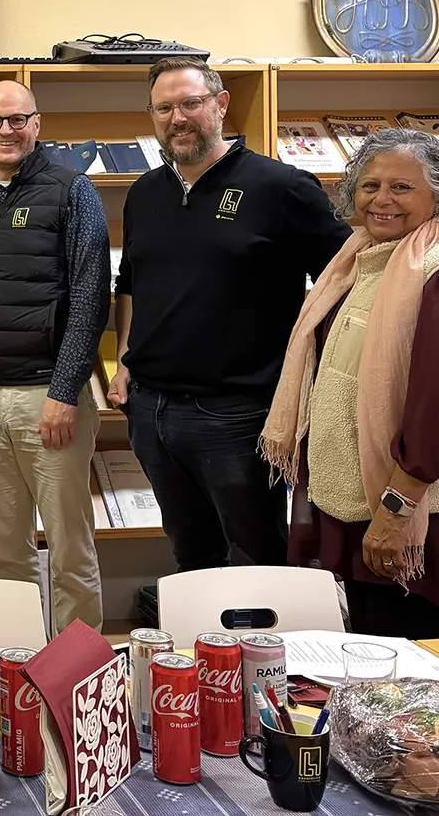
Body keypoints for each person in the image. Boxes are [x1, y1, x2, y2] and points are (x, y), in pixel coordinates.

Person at [107, 57, 351, 573]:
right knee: (192, 558)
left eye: (190, 103)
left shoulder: (281, 187)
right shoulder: (145, 192)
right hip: (152, 412)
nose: (177, 118)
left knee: (259, 559)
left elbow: (346, 282)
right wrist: (125, 359)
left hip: (238, 414)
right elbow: (130, 282)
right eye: (164, 108)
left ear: (221, 104)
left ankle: (265, 633)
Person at [262, 128, 439, 640]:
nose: (382, 199)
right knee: (372, 657)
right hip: (358, 502)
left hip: (410, 511)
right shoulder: (360, 262)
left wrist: (397, 511)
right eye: (370, 185)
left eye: (402, 187)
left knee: (416, 667)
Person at [0, 80, 110, 634]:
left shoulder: (72, 191)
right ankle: (14, 662)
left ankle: (77, 669)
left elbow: (91, 295)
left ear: (37, 124)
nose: (6, 131)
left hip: (49, 398)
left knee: (69, 550)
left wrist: (64, 392)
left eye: (18, 119)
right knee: (5, 550)